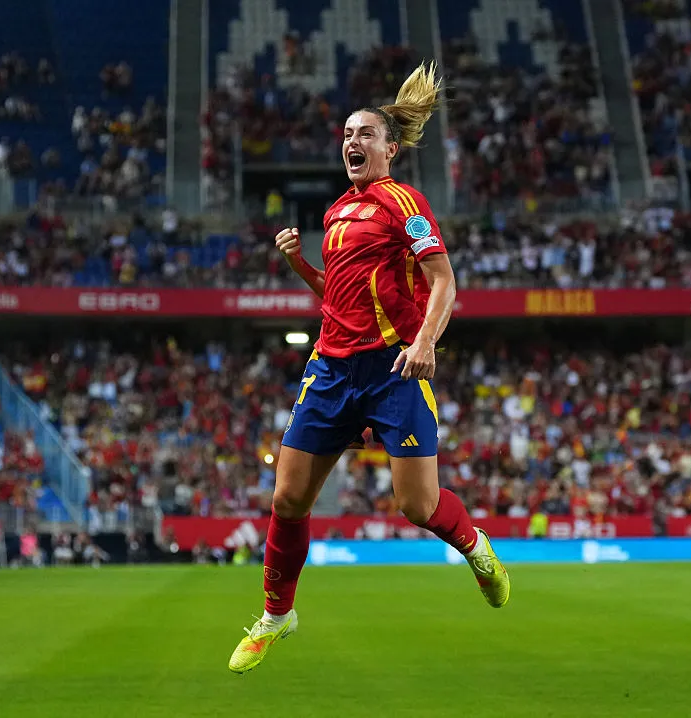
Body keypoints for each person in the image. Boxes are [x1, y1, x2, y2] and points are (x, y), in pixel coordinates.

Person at [228, 62, 510, 675]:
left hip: (393, 369)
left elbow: (444, 280)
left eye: (365, 134)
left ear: (391, 147)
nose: (352, 142)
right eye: (346, 135)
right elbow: (340, 299)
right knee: (288, 497)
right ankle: (278, 615)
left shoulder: (404, 202)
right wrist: (301, 265)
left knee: (416, 505)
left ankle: (475, 547)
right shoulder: (333, 215)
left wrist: (427, 342)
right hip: (330, 367)